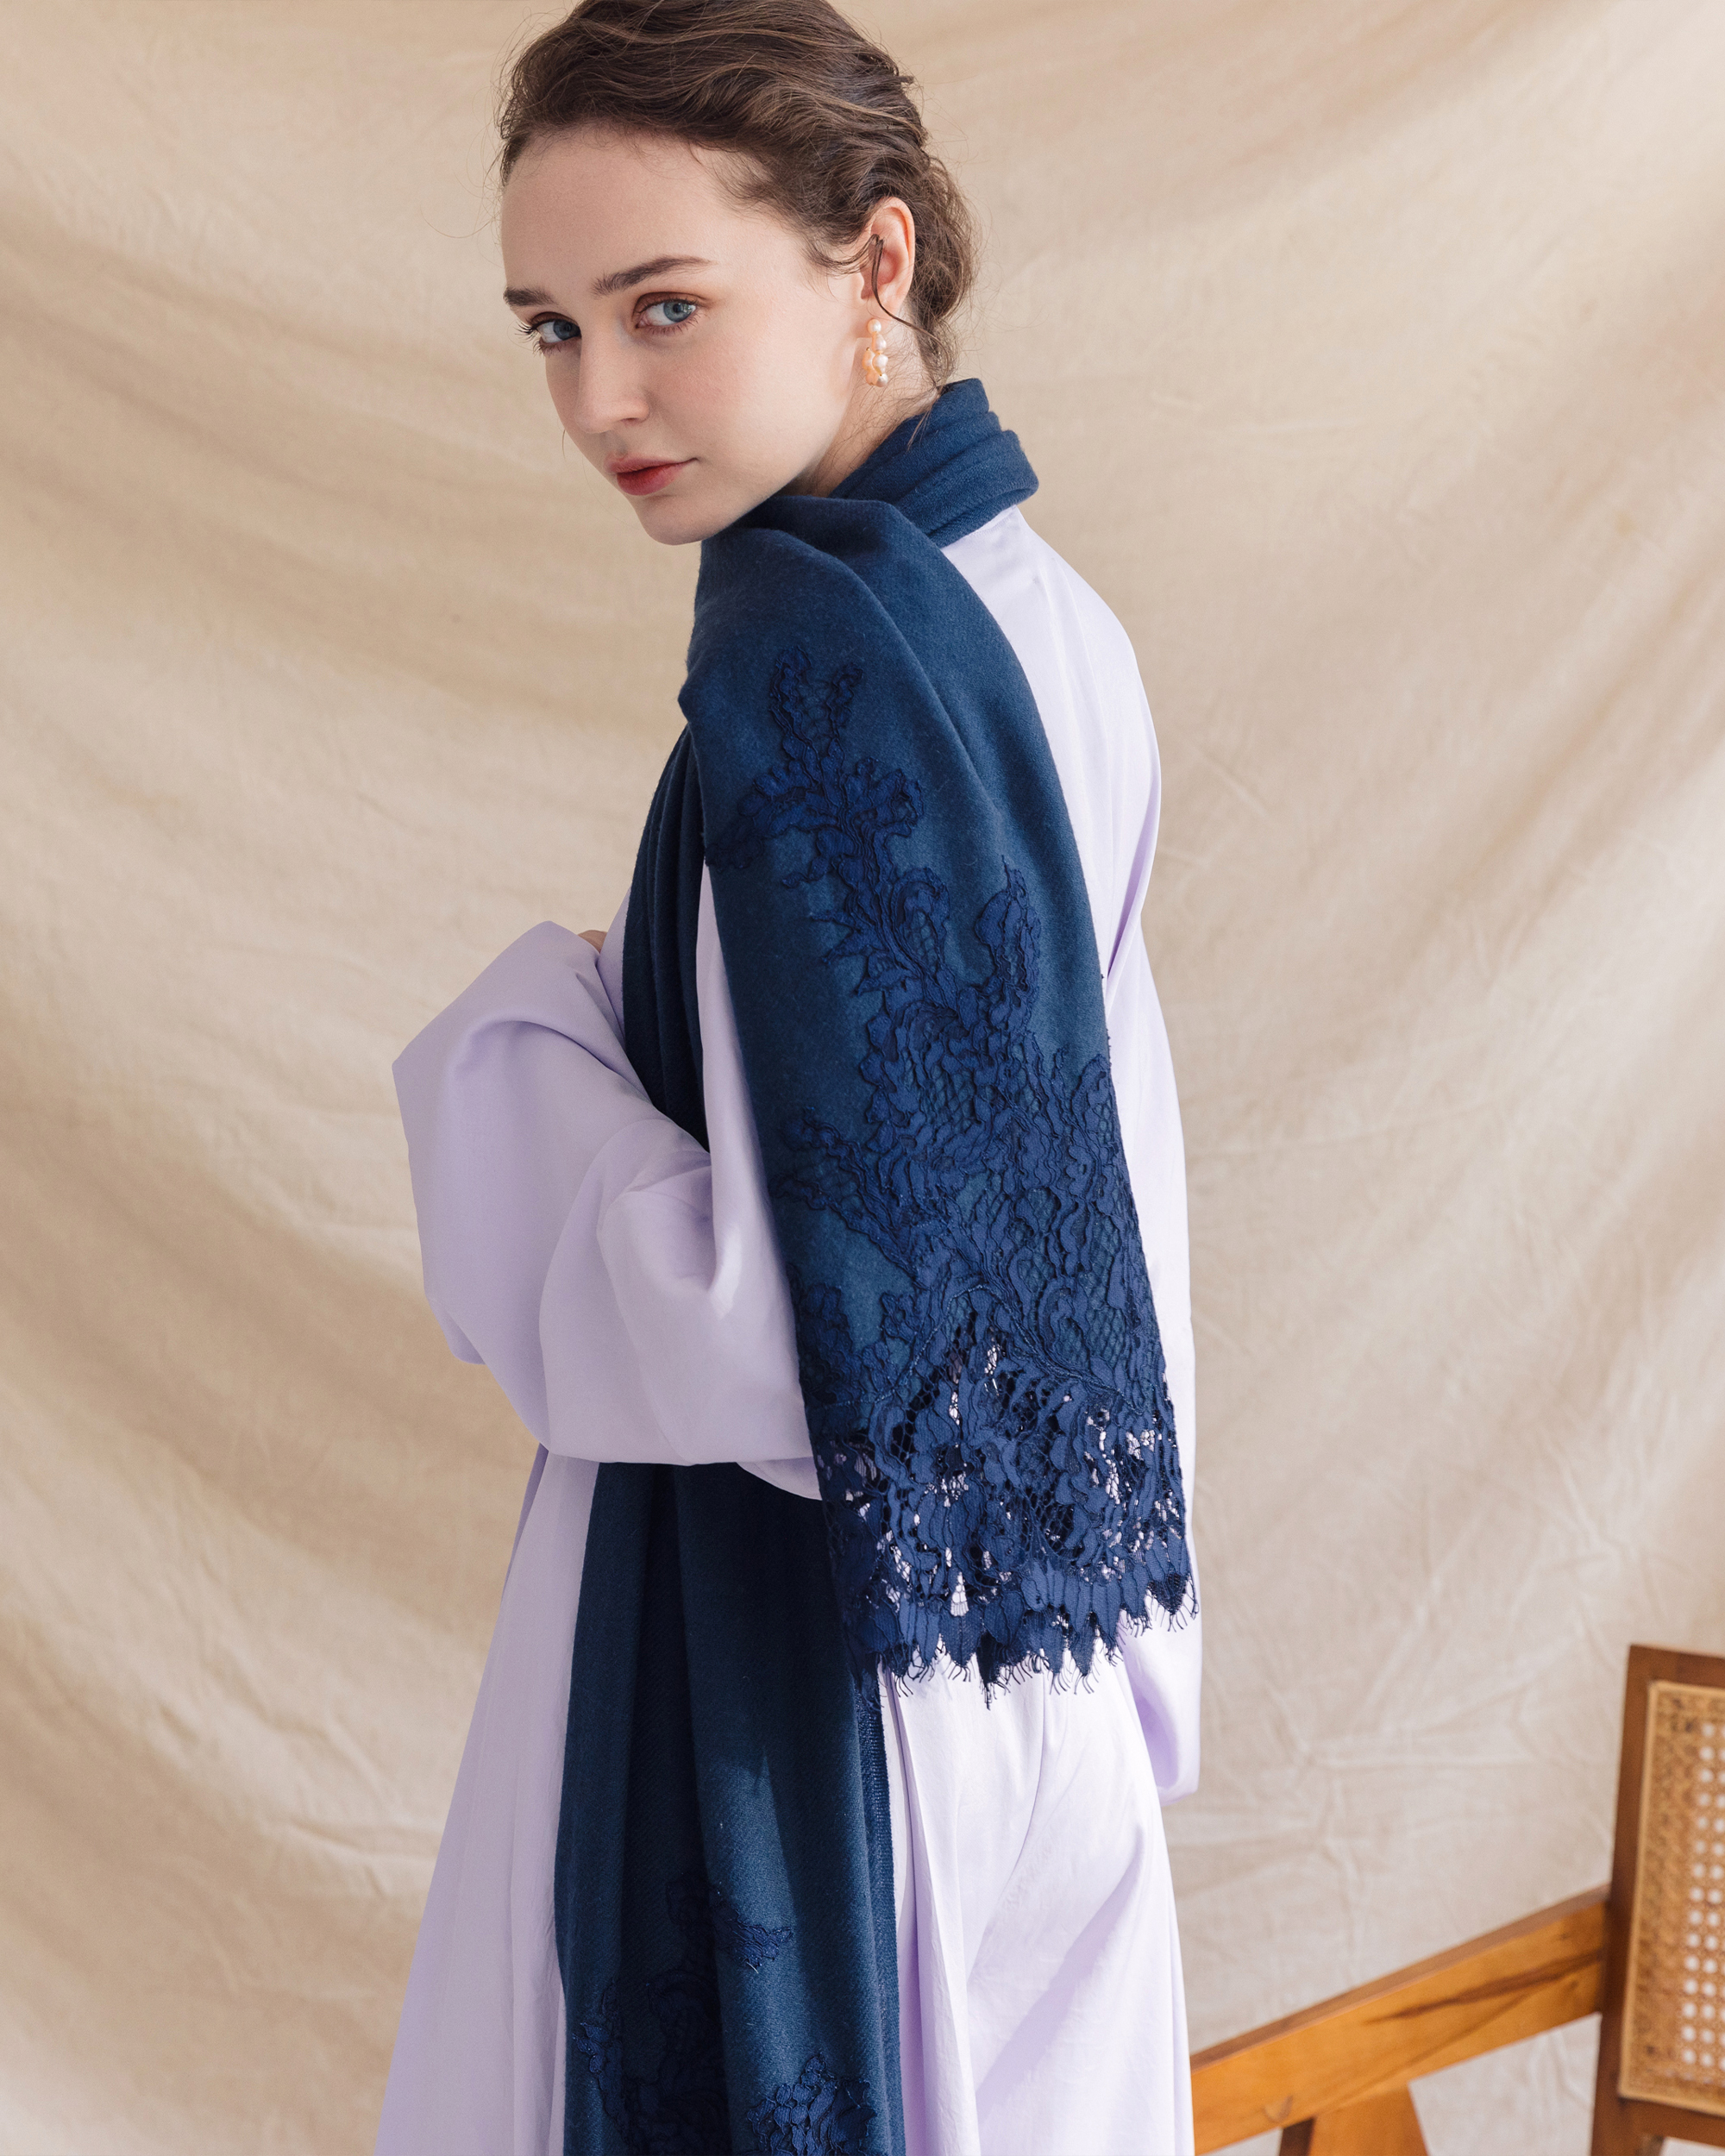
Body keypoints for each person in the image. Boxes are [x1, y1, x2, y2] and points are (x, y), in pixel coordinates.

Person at [377, 3, 1201, 2152]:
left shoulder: (832, 658)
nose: (599, 399)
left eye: (665, 306)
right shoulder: (1040, 612)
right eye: (550, 328)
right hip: (1017, 1675)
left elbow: (796, 1342)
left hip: (822, 1709)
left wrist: (524, 1049)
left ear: (875, 260)